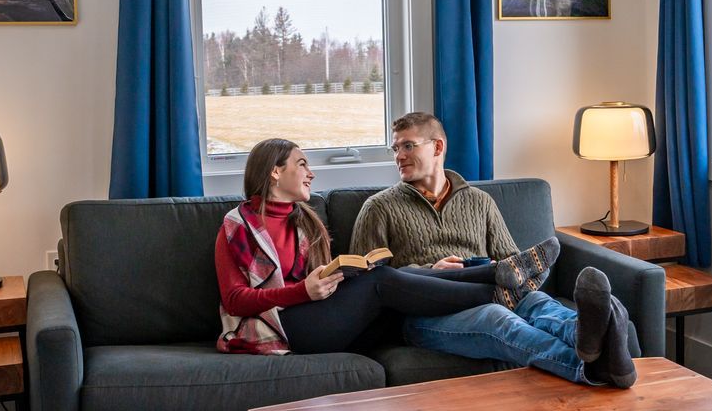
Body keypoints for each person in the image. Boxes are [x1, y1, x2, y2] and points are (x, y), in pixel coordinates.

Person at [348, 112, 638, 388]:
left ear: (437, 147)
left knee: (538, 302)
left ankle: (589, 332)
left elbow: (514, 265)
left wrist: (491, 267)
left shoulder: (480, 202)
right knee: (496, 319)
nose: (399, 155)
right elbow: (365, 287)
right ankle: (590, 363)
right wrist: (428, 273)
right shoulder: (379, 208)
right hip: (425, 316)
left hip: (490, 293)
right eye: (395, 148)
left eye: (408, 146)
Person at [212, 137, 561, 359]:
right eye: (302, 164)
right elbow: (235, 300)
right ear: (275, 172)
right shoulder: (238, 226)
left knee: (384, 279)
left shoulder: (304, 221)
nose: (311, 173)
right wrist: (302, 291)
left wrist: (338, 276)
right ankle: (497, 286)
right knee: (381, 281)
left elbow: (322, 287)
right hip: (283, 327)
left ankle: (500, 279)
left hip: (321, 319)